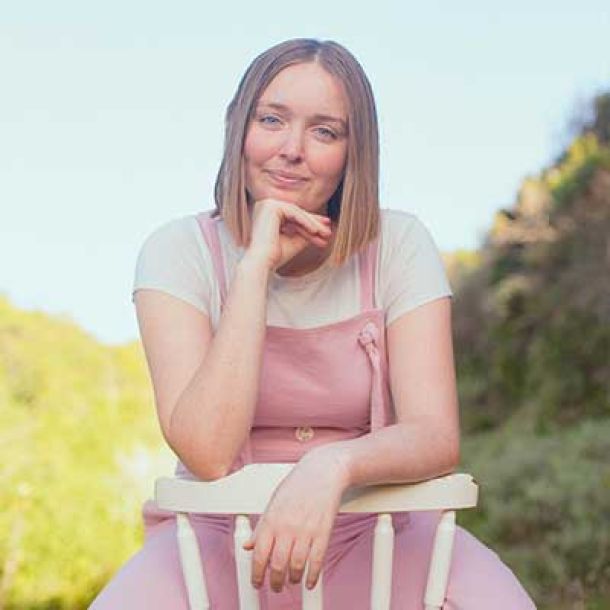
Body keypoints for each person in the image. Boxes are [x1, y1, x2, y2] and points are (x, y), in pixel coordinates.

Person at [90, 38, 536, 609]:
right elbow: (207, 451)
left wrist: (331, 466)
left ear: (354, 154)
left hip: (381, 536)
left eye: (324, 132)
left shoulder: (399, 244)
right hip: (215, 548)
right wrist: (255, 268)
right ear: (238, 127)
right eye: (271, 120)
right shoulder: (177, 251)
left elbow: (434, 434)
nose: (291, 150)